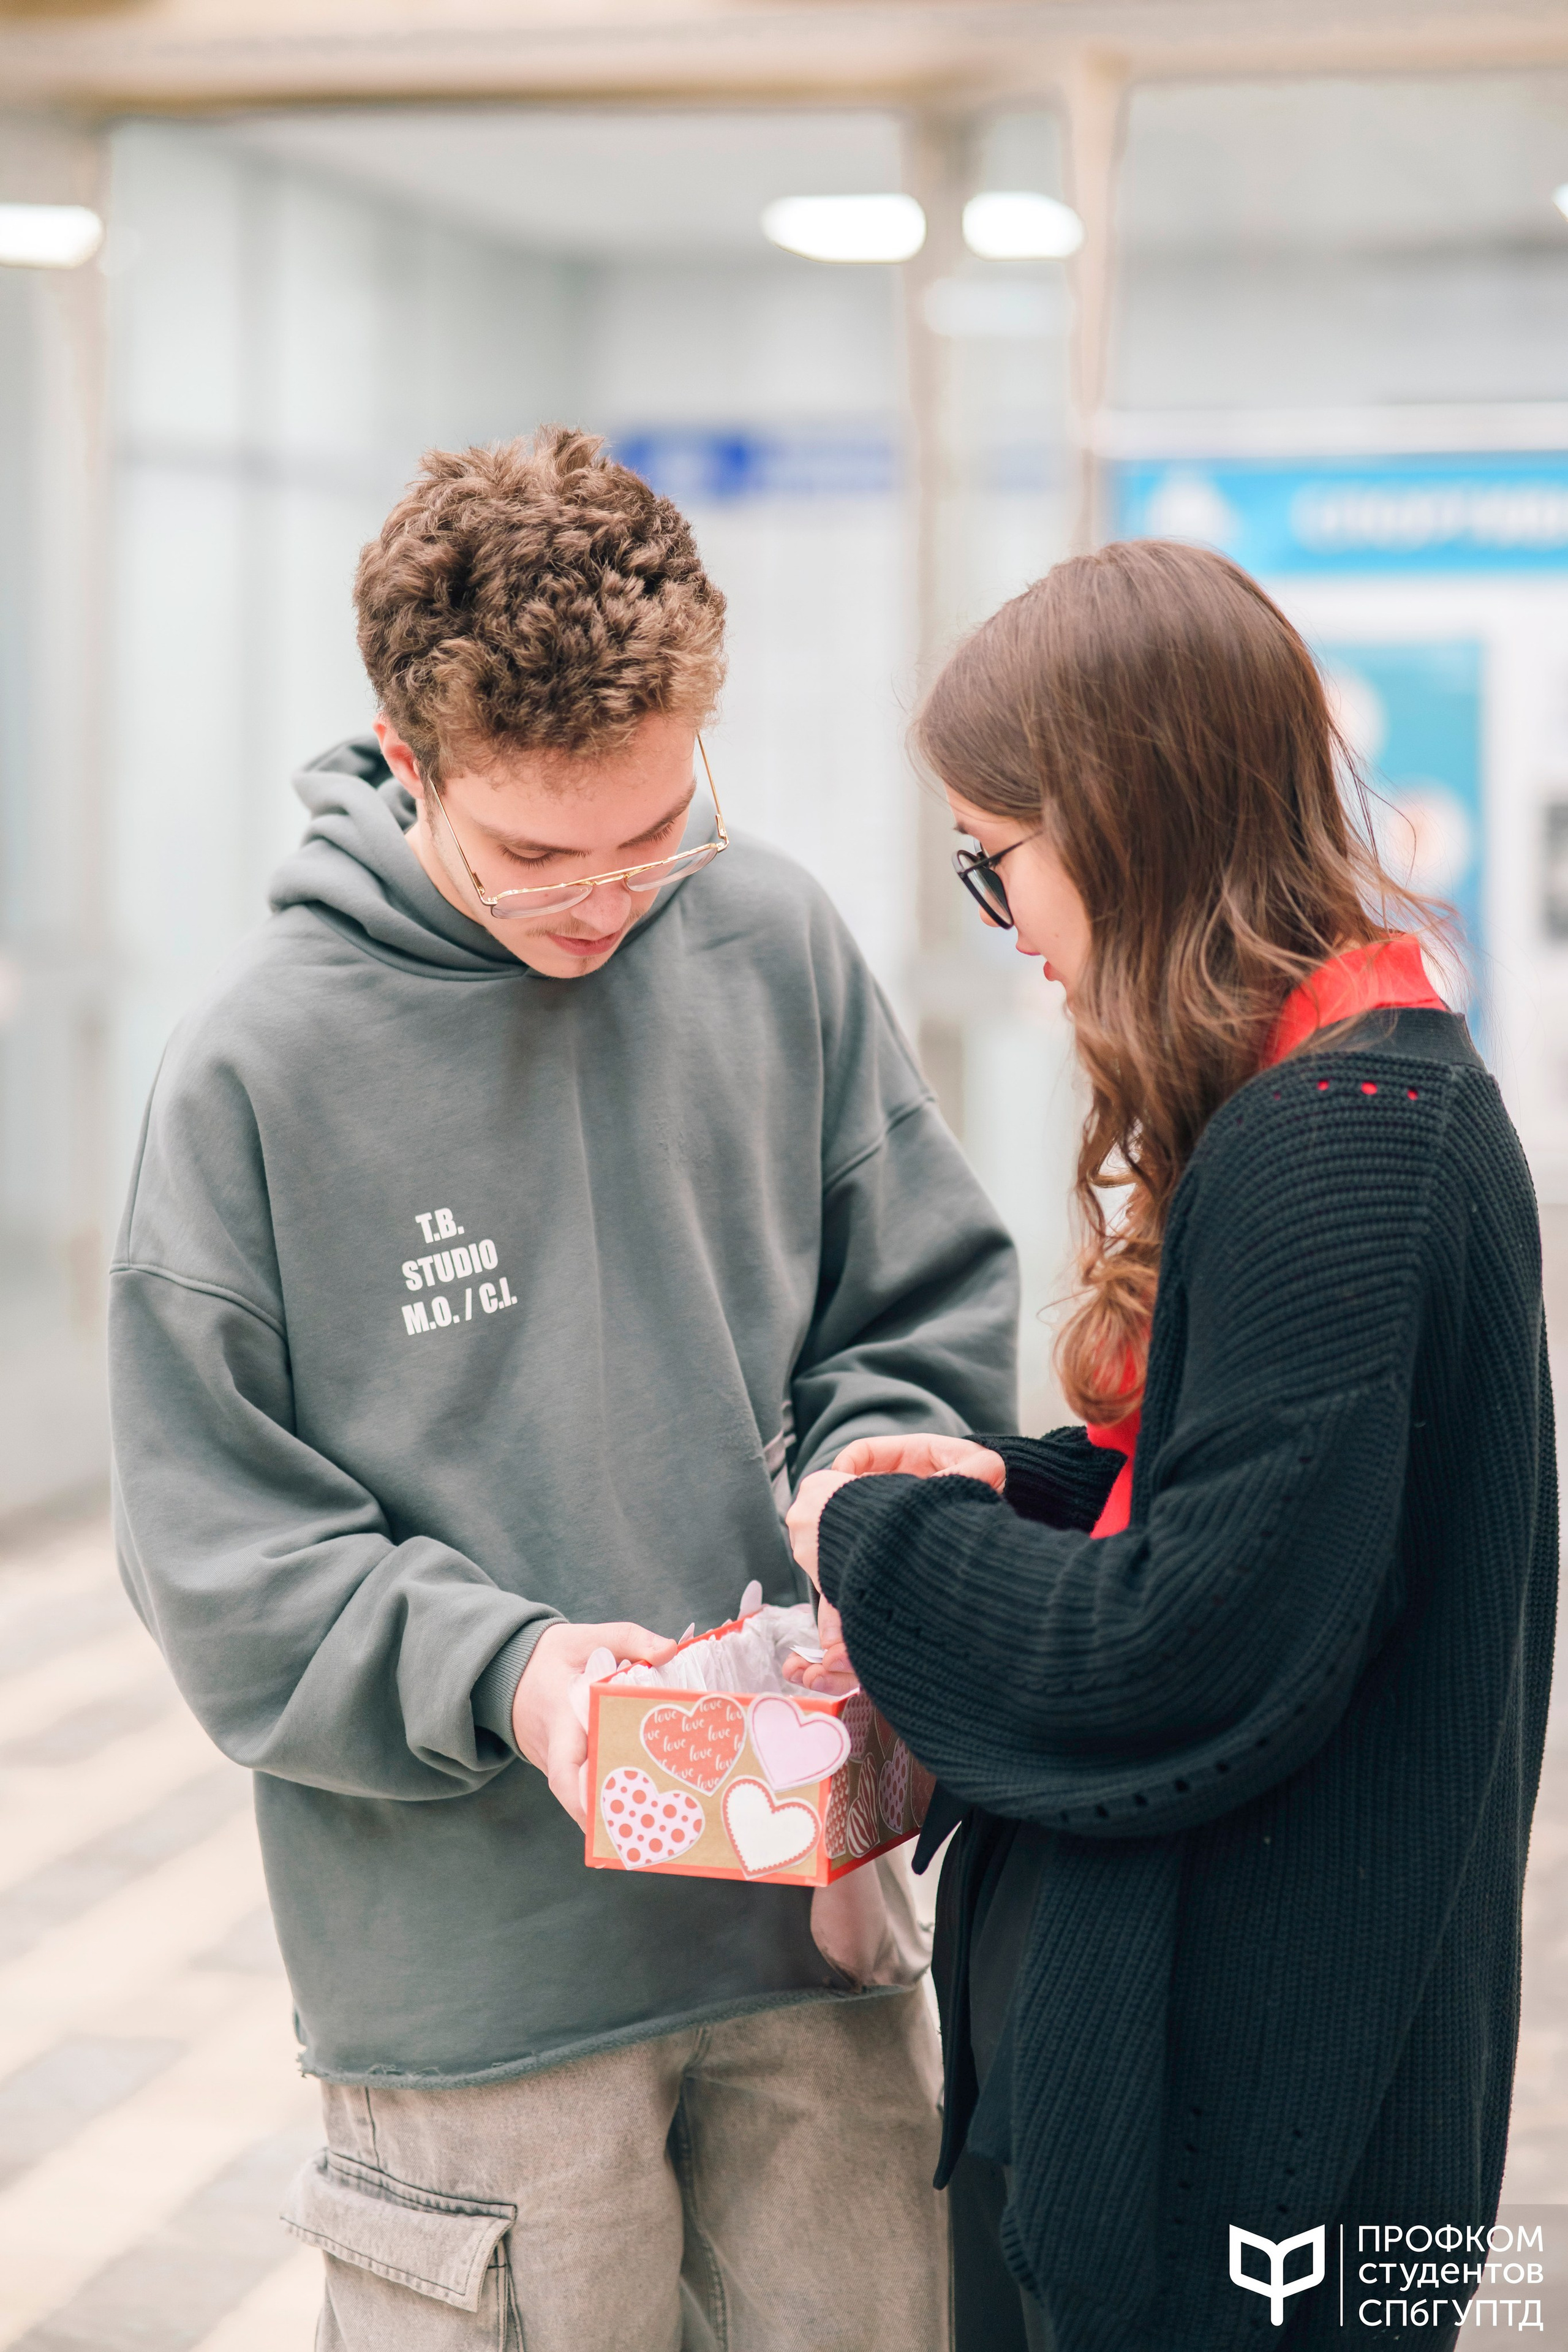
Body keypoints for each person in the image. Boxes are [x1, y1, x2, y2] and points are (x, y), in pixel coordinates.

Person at [108, 426, 1019, 2352]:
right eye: (539, 852)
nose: (608, 899)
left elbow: (918, 1312)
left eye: (657, 832)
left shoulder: (770, 936)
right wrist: (519, 1677)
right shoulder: (257, 1073)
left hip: (812, 1927)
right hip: (475, 1995)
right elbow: (218, 1554)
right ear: (409, 755)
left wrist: (878, 1491)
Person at [784, 538, 1556, 2352]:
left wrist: (867, 1539)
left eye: (1000, 861)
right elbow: (1290, 1512)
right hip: (1266, 2111)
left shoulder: (1340, 1152)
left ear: (1124, 822)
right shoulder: (1360, 1086)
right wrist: (1021, 1490)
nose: (1010, 923)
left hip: (1239, 2163)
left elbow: (1187, 1646)